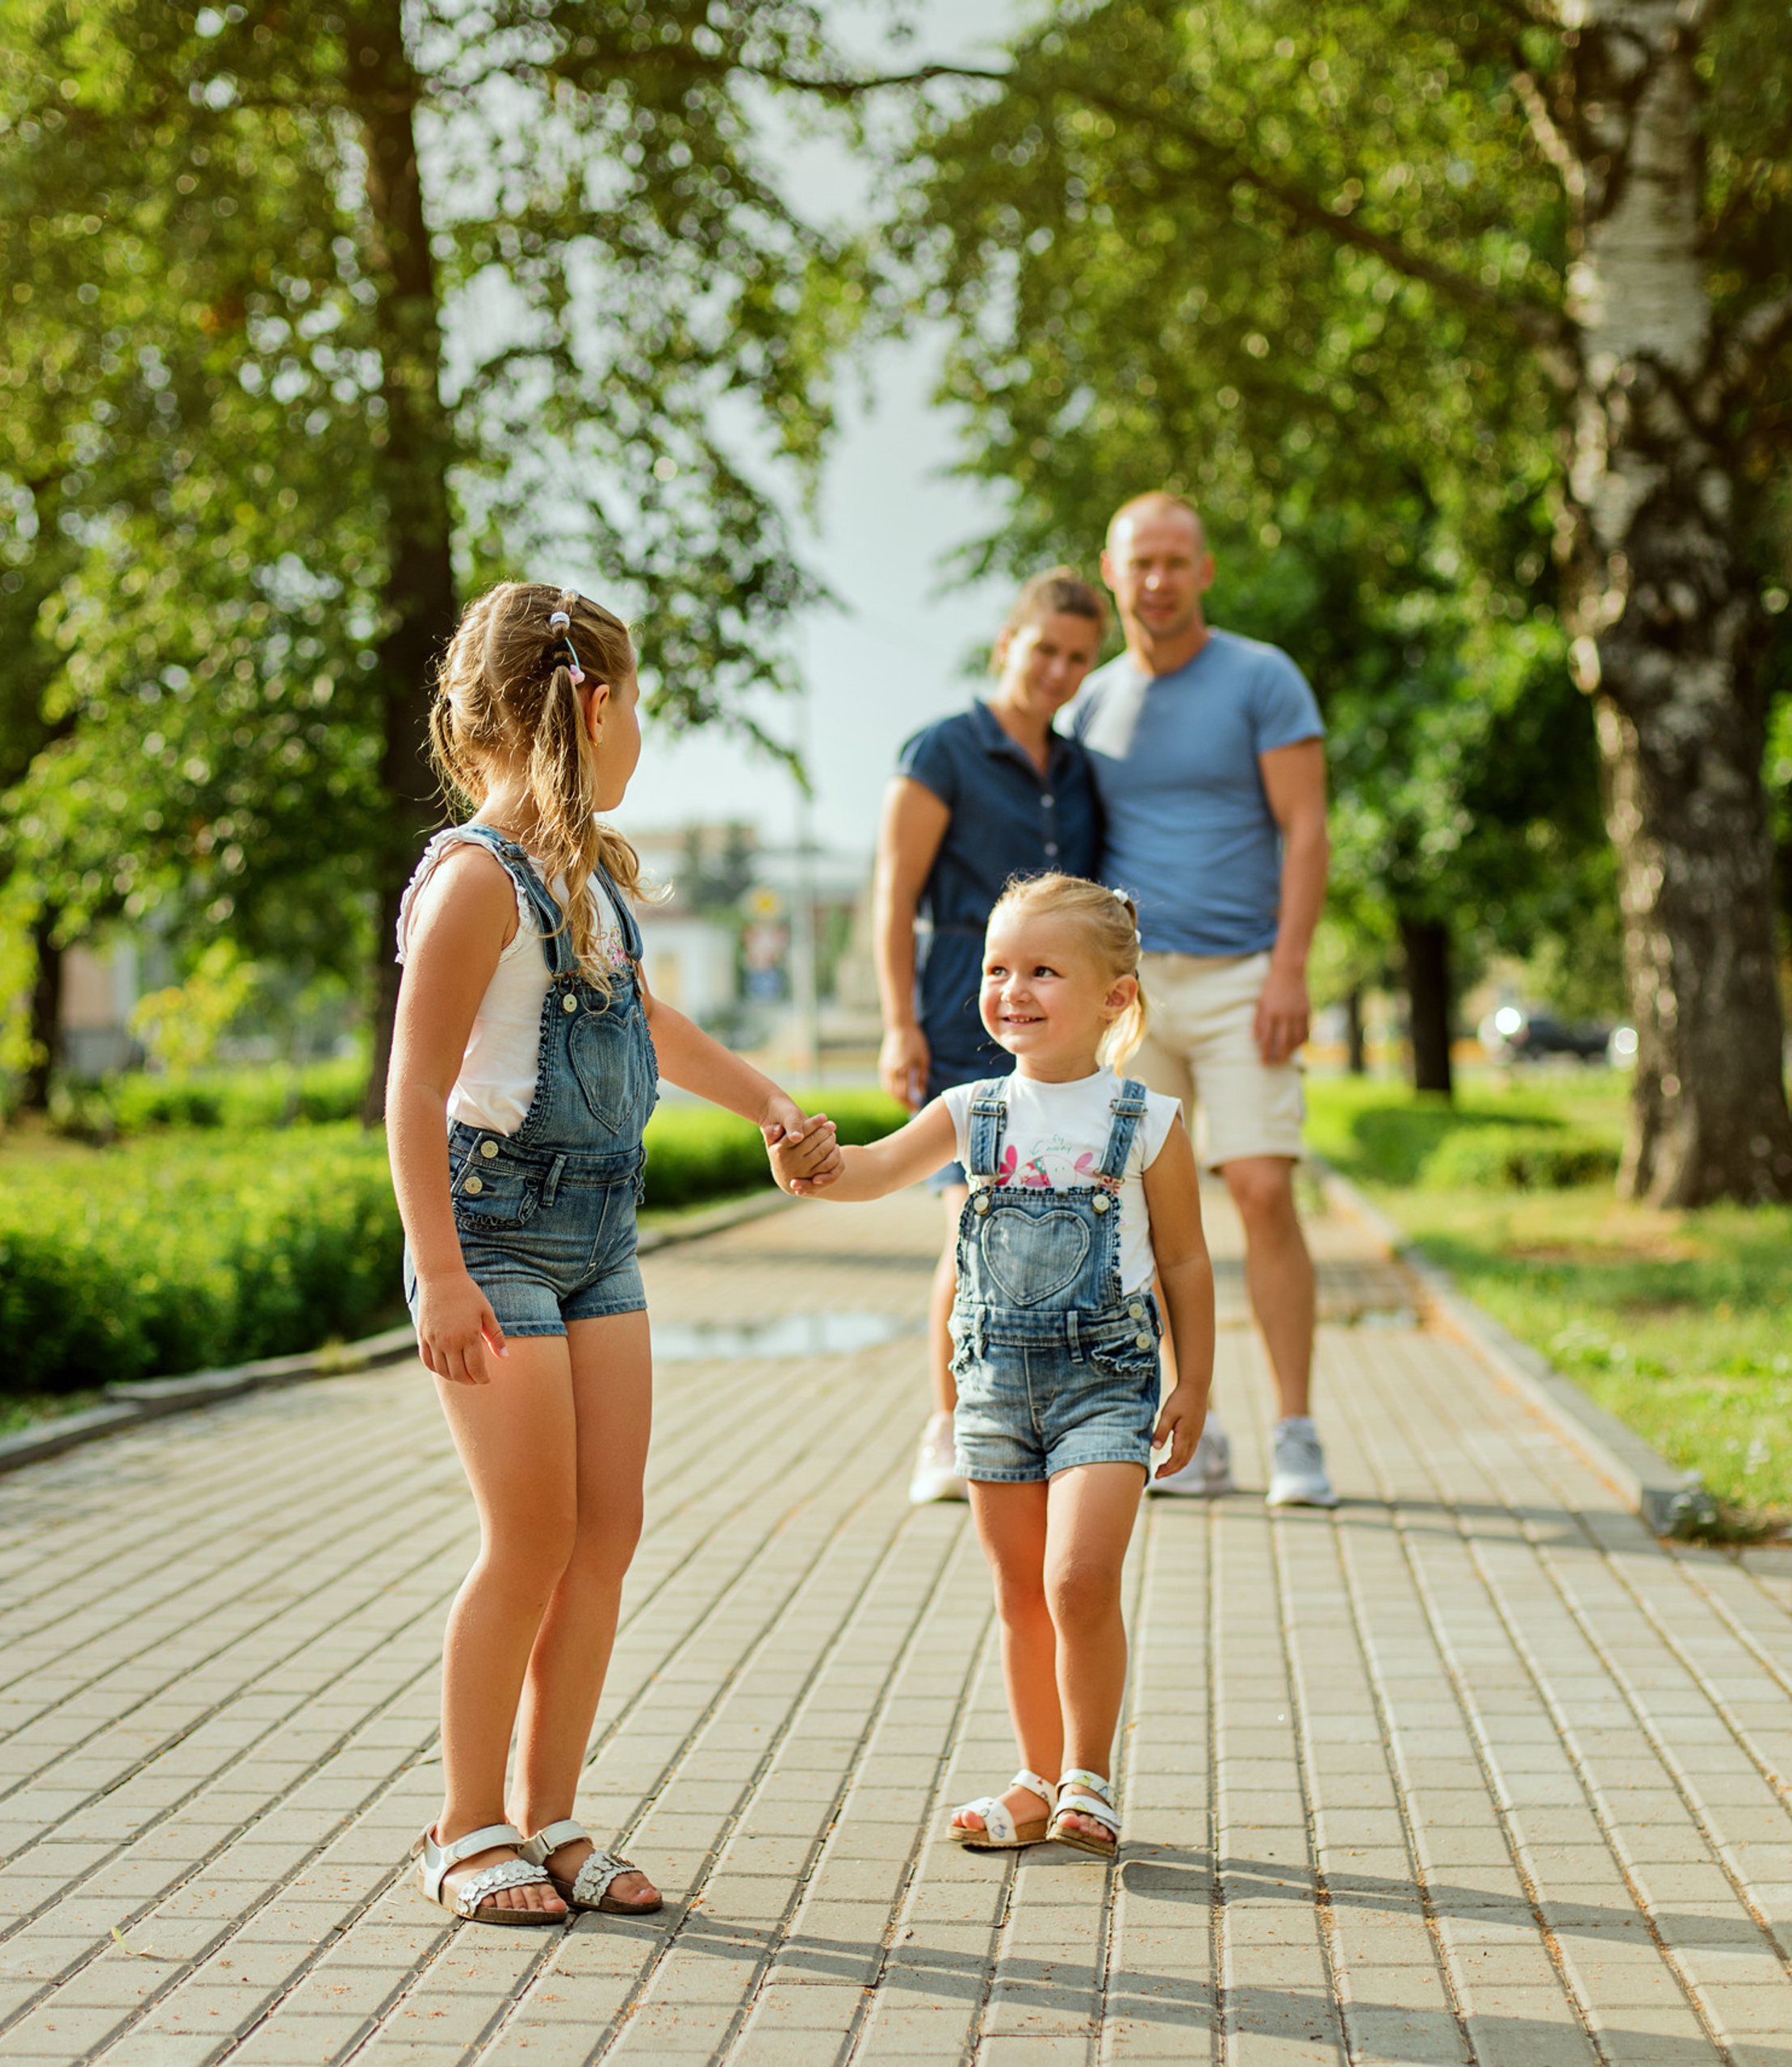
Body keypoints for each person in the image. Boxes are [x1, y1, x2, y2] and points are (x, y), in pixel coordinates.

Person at [387, 582, 839, 1926]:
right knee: (526, 1537)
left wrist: (769, 1101)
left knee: (606, 1532)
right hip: (496, 1237)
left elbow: (659, 1030)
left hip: (599, 1241)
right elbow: (412, 1091)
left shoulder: (591, 886)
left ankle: (555, 1814)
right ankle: (468, 1825)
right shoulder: (476, 881)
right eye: (636, 704)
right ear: (590, 706)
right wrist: (440, 1272)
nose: (642, 731)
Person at [774, 874, 1213, 1860]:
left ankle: (1088, 1779)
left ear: (1114, 997)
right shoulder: (970, 1109)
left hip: (1107, 1384)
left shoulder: (1148, 1122)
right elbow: (868, 1171)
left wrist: (1196, 1381)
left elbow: (1185, 1259)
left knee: (1077, 1578)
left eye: (1043, 970)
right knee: (1020, 1592)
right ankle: (1034, 1776)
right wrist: (803, 1164)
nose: (1012, 989)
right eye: (997, 968)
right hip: (992, 1391)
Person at [1068, 492, 1335, 1507]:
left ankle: (1298, 1431)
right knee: (1155, 1210)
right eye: (1142, 562)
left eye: (1178, 560)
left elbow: (1304, 829)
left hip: (1242, 979)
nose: (1160, 579)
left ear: (1205, 570)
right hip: (1134, 992)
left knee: (1263, 1187)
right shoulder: (1091, 702)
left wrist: (1291, 967)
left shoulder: (1263, 678)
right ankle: (1200, 1428)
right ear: (1112, 569)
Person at [875, 570, 1106, 1504]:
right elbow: (893, 896)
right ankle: (946, 1428)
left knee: (1047, 1226)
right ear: (1006, 641)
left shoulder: (1079, 768)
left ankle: (1042, 1423)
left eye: (1079, 659)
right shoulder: (942, 751)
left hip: (1061, 1024)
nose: (1058, 670)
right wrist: (899, 1025)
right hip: (962, 1012)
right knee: (967, 1228)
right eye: (1044, 648)